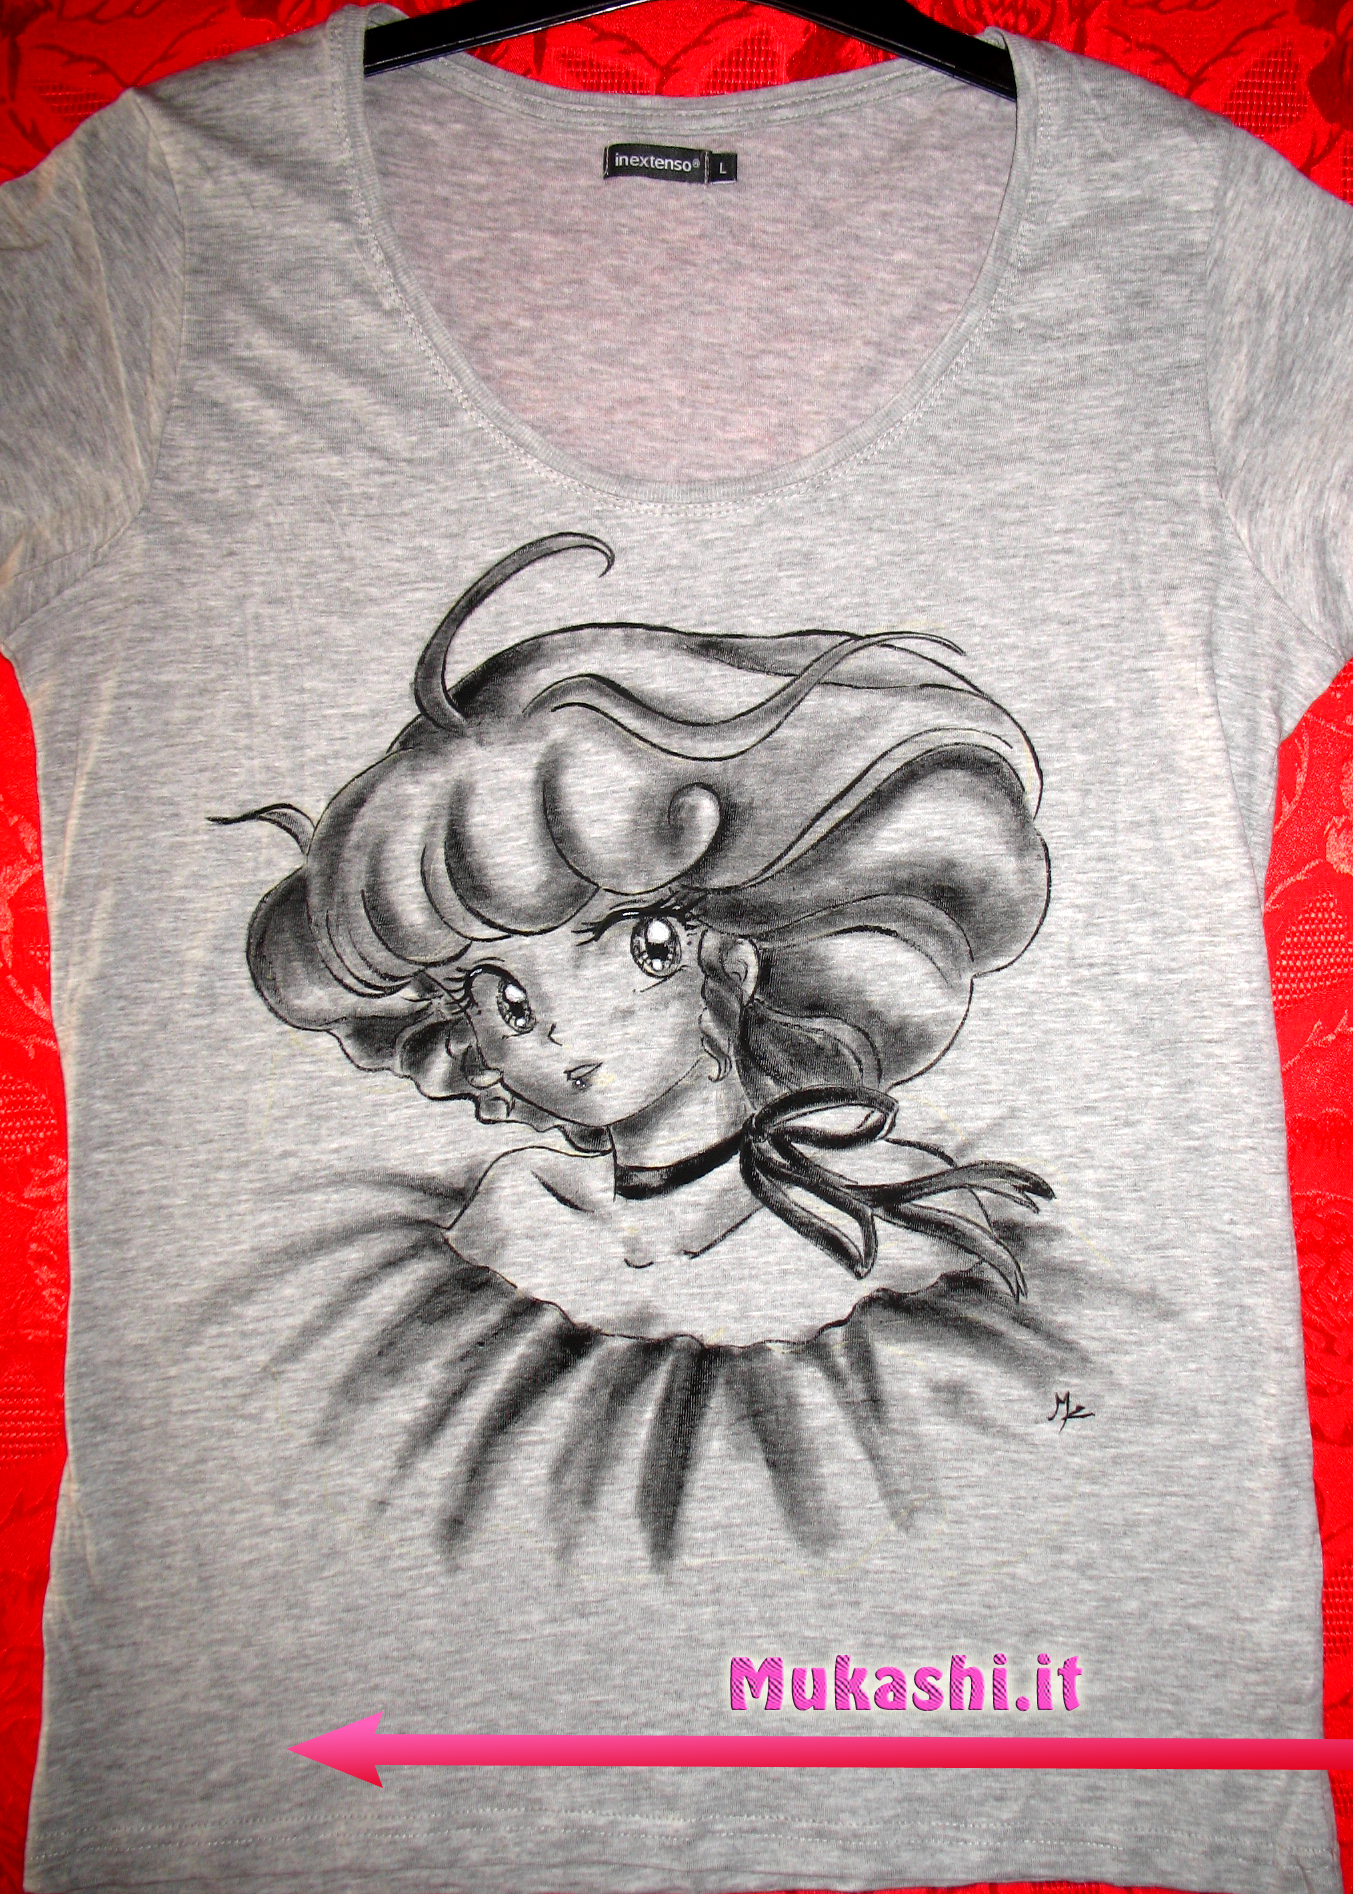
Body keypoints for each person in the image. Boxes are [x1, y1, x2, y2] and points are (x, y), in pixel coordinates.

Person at [223, 533, 1073, 1560]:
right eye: (502, 999)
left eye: (641, 947)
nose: (562, 1032)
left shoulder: (890, 1218)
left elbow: (997, 1463)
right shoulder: (516, 1218)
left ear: (731, 955)